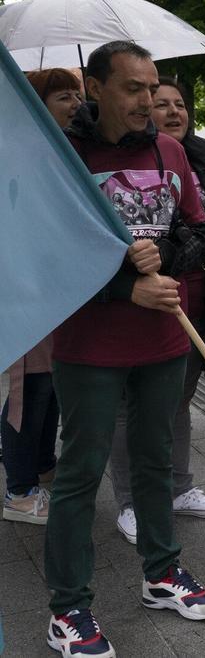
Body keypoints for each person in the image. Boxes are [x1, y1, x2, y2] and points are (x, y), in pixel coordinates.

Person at [48, 41, 205, 656]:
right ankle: (68, 607)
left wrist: (169, 258)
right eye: (132, 88)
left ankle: (162, 572)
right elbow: (50, 257)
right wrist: (126, 282)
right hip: (90, 344)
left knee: (155, 464)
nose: (148, 101)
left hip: (165, 337)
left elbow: (200, 233)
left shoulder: (170, 150)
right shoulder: (63, 157)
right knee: (80, 473)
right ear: (94, 88)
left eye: (153, 88)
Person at [107, 76, 205, 544]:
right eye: (160, 104)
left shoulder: (194, 159)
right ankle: (131, 501)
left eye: (179, 104)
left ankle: (178, 487)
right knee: (129, 405)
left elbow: (200, 224)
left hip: (195, 296)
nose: (171, 111)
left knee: (178, 399)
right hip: (137, 298)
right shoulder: (118, 160)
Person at [1, 68, 82, 525]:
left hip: (60, 289)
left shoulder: (62, 149)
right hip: (27, 288)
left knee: (50, 385)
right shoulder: (16, 153)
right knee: (25, 389)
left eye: (78, 95)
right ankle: (18, 490)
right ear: (36, 103)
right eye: (64, 96)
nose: (76, 104)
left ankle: (42, 467)